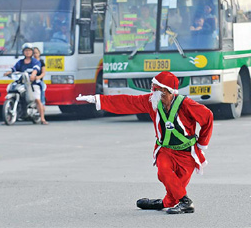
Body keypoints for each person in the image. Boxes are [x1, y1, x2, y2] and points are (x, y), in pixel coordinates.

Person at [76, 71, 213, 214]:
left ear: (166, 90)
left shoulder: (186, 104)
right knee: (163, 172)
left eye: (155, 88)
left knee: (175, 189)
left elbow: (207, 116)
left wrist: (201, 144)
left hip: (186, 153)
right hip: (165, 150)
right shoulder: (152, 102)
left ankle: (164, 203)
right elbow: (127, 102)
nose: (151, 91)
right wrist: (97, 100)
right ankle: (186, 202)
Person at [3, 43, 46, 125]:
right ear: (23, 52)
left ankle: (43, 118)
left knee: (37, 99)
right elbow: (14, 68)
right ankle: (8, 116)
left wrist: (33, 74)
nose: (27, 52)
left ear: (32, 52)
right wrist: (9, 72)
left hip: (33, 84)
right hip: (22, 83)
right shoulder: (20, 62)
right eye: (26, 51)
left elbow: (36, 69)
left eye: (29, 50)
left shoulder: (35, 61)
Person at [33, 47, 48, 125]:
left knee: (40, 99)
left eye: (36, 53)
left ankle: (42, 117)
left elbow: (43, 73)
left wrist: (37, 77)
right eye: (34, 53)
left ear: (39, 53)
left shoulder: (41, 62)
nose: (35, 54)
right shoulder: (30, 62)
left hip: (38, 82)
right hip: (30, 82)